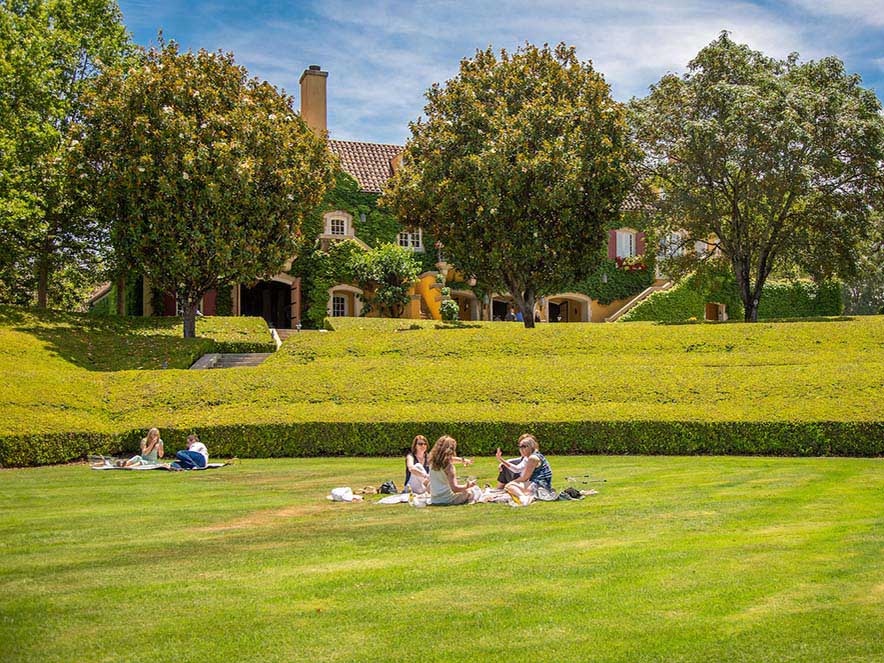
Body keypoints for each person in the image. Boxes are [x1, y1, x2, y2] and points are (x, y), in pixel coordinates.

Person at [406, 435, 474, 493]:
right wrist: (425, 476)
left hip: (424, 486)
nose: (423, 445)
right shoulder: (410, 456)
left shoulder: (428, 457)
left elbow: (446, 459)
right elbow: (411, 468)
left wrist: (463, 460)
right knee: (418, 466)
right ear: (415, 445)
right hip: (412, 486)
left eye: (425, 444)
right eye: (420, 444)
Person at [495, 433, 553, 500]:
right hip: (536, 484)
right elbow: (517, 469)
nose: (521, 449)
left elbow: (525, 477)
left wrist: (512, 483)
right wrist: (501, 460)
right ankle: (523, 497)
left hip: (540, 486)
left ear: (531, 447)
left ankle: (524, 498)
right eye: (520, 447)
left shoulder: (533, 458)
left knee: (510, 486)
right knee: (510, 486)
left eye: (524, 446)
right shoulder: (528, 457)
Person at [427, 435, 481, 505]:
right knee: (475, 490)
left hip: (435, 500)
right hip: (448, 500)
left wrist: (463, 460)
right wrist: (468, 485)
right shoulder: (449, 467)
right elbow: (455, 489)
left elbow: (450, 459)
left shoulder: (432, 462)